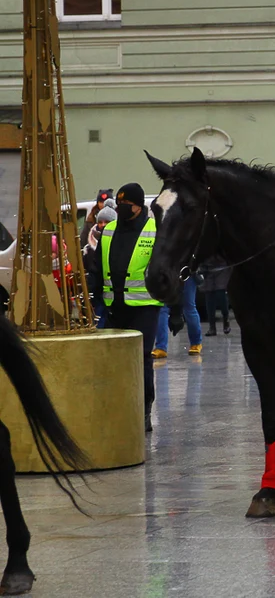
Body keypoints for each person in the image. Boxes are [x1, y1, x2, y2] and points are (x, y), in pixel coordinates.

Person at [85, 183, 163, 433]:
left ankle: (144, 410)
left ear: (139, 206)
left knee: (142, 360)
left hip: (144, 307)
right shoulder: (108, 232)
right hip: (113, 306)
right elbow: (97, 267)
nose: (120, 209)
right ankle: (118, 408)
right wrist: (94, 297)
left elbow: (164, 271)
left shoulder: (154, 230)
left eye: (126, 205)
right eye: (118, 204)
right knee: (115, 361)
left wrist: (177, 308)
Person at [153, 276, 203, 359]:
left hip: (174, 274)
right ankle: (195, 343)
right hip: (182, 273)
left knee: (164, 309)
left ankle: (161, 347)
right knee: (189, 308)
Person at [198, 254, 231, 337]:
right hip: (206, 268)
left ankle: (226, 319)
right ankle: (212, 327)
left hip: (222, 266)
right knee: (209, 296)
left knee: (220, 293)